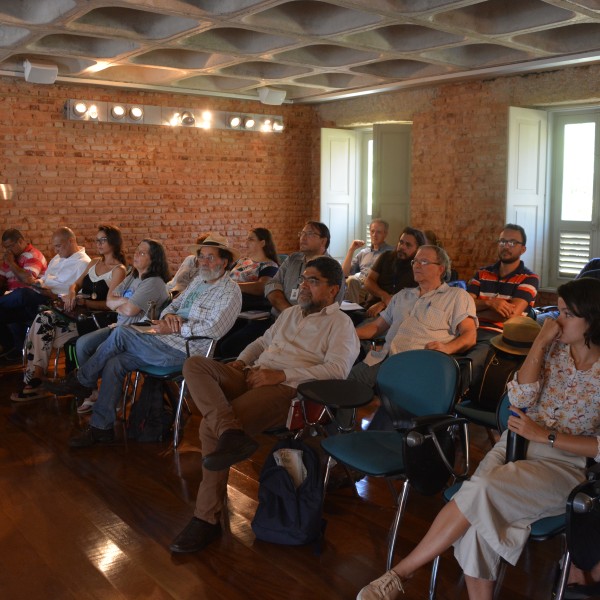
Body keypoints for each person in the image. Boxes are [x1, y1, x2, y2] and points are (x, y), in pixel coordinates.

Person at [357, 276, 600, 600]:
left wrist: (547, 436)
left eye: (568, 314)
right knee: (475, 518)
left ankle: (401, 572)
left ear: (592, 319)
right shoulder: (554, 350)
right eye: (557, 312)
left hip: (564, 463)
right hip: (514, 445)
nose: (557, 321)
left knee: (479, 493)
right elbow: (520, 399)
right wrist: (539, 345)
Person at [168, 256, 359, 554]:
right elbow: (262, 342)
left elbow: (337, 371)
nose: (303, 286)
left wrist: (281, 375)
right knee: (194, 364)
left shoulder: (341, 325)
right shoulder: (292, 313)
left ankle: (206, 518)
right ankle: (230, 431)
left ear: (333, 289)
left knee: (209, 427)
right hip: (251, 373)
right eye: (303, 279)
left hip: (285, 390)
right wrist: (242, 362)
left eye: (312, 280)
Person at [43, 233, 242, 447]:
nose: (203, 262)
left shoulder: (230, 291)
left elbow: (214, 329)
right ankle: (101, 428)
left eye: (210, 258)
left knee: (121, 333)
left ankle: (82, 381)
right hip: (160, 339)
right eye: (201, 256)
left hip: (186, 351)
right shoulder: (197, 282)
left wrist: (178, 327)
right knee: (114, 362)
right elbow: (172, 306)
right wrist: (168, 317)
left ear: (225, 261)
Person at [12, 225, 127, 401]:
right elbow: (75, 284)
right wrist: (73, 293)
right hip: (78, 313)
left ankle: (35, 379)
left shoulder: (119, 269)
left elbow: (111, 304)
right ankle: (37, 377)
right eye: (97, 240)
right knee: (44, 317)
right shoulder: (95, 262)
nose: (98, 243)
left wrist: (85, 302)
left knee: (44, 322)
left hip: (96, 318)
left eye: (103, 240)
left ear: (114, 242)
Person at [73, 237, 171, 414]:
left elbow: (130, 311)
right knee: (82, 344)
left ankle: (98, 391)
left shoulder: (154, 282)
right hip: (117, 326)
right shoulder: (132, 275)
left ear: (153, 259)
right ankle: (92, 390)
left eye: (142, 253)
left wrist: (122, 303)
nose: (136, 255)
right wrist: (123, 302)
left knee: (103, 352)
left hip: (135, 334)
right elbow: (110, 299)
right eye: (137, 251)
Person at [465, 223, 539, 397]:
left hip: (498, 335)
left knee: (471, 363)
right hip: (468, 327)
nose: (506, 246)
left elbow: (511, 315)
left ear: (523, 249)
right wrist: (492, 303)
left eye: (513, 243)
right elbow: (463, 307)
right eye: (503, 241)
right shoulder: (482, 273)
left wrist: (477, 307)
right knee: (437, 351)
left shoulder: (529, 278)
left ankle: (448, 407)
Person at [0, 227, 90, 360]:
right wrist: (38, 283)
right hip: (39, 296)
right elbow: (45, 279)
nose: (56, 250)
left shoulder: (83, 263)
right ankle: (11, 347)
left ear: (71, 241)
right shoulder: (57, 259)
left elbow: (71, 293)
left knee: (22, 294)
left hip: (53, 303)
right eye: (54, 247)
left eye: (58, 246)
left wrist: (45, 290)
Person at [216, 227, 280, 358]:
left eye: (251, 239)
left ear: (263, 243)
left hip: (250, 312)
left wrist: (232, 285)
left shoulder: (269, 266)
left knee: (227, 345)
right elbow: (223, 278)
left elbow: (261, 287)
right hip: (226, 308)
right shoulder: (241, 261)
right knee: (213, 340)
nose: (246, 242)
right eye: (247, 239)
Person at [362, 227, 424, 317]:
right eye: (401, 242)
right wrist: (383, 295)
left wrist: (385, 303)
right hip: (370, 308)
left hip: (397, 314)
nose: (402, 247)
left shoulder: (419, 268)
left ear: (418, 249)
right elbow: (368, 281)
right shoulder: (386, 257)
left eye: (408, 245)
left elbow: (415, 296)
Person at [342, 219, 394, 304]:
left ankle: (354, 312)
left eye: (379, 232)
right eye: (372, 231)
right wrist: (351, 250)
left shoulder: (391, 253)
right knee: (351, 281)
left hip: (376, 288)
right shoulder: (363, 253)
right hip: (359, 287)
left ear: (385, 234)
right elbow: (344, 273)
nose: (374, 235)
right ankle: (353, 311)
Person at [0, 228, 47, 293]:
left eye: (10, 246)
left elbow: (28, 280)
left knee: (20, 294)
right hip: (13, 296)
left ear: (20, 241)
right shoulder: (11, 257)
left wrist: (11, 263)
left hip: (31, 295)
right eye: (6, 248)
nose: (8, 250)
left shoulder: (33, 255)